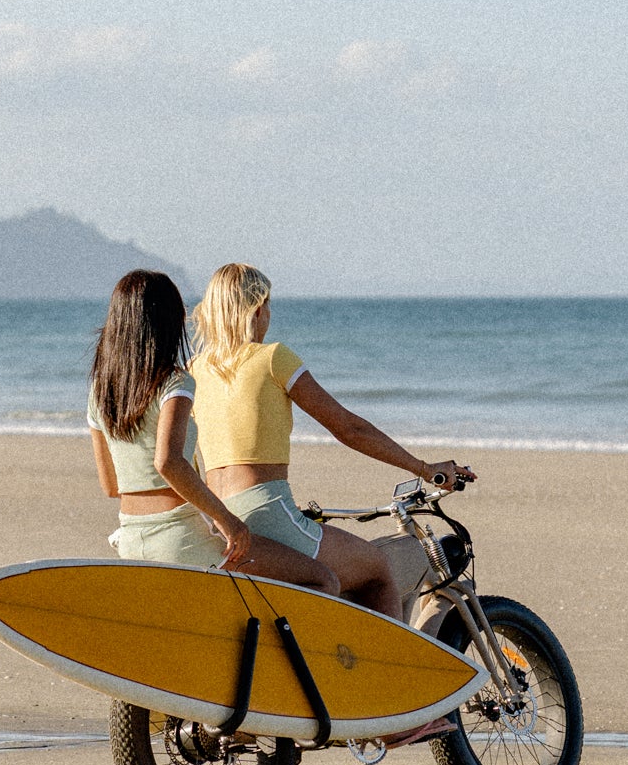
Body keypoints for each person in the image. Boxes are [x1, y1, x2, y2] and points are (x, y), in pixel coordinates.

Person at [190, 262, 475, 622]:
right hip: (269, 511)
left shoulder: (195, 369)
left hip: (220, 518)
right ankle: (382, 660)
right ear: (258, 309)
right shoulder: (272, 357)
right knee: (377, 569)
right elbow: (349, 429)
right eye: (269, 306)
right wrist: (424, 468)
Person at [87, 268, 339, 587]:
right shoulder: (175, 382)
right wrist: (228, 521)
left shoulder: (99, 393)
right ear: (167, 320)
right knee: (321, 579)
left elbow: (111, 486)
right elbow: (168, 462)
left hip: (131, 540)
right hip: (184, 541)